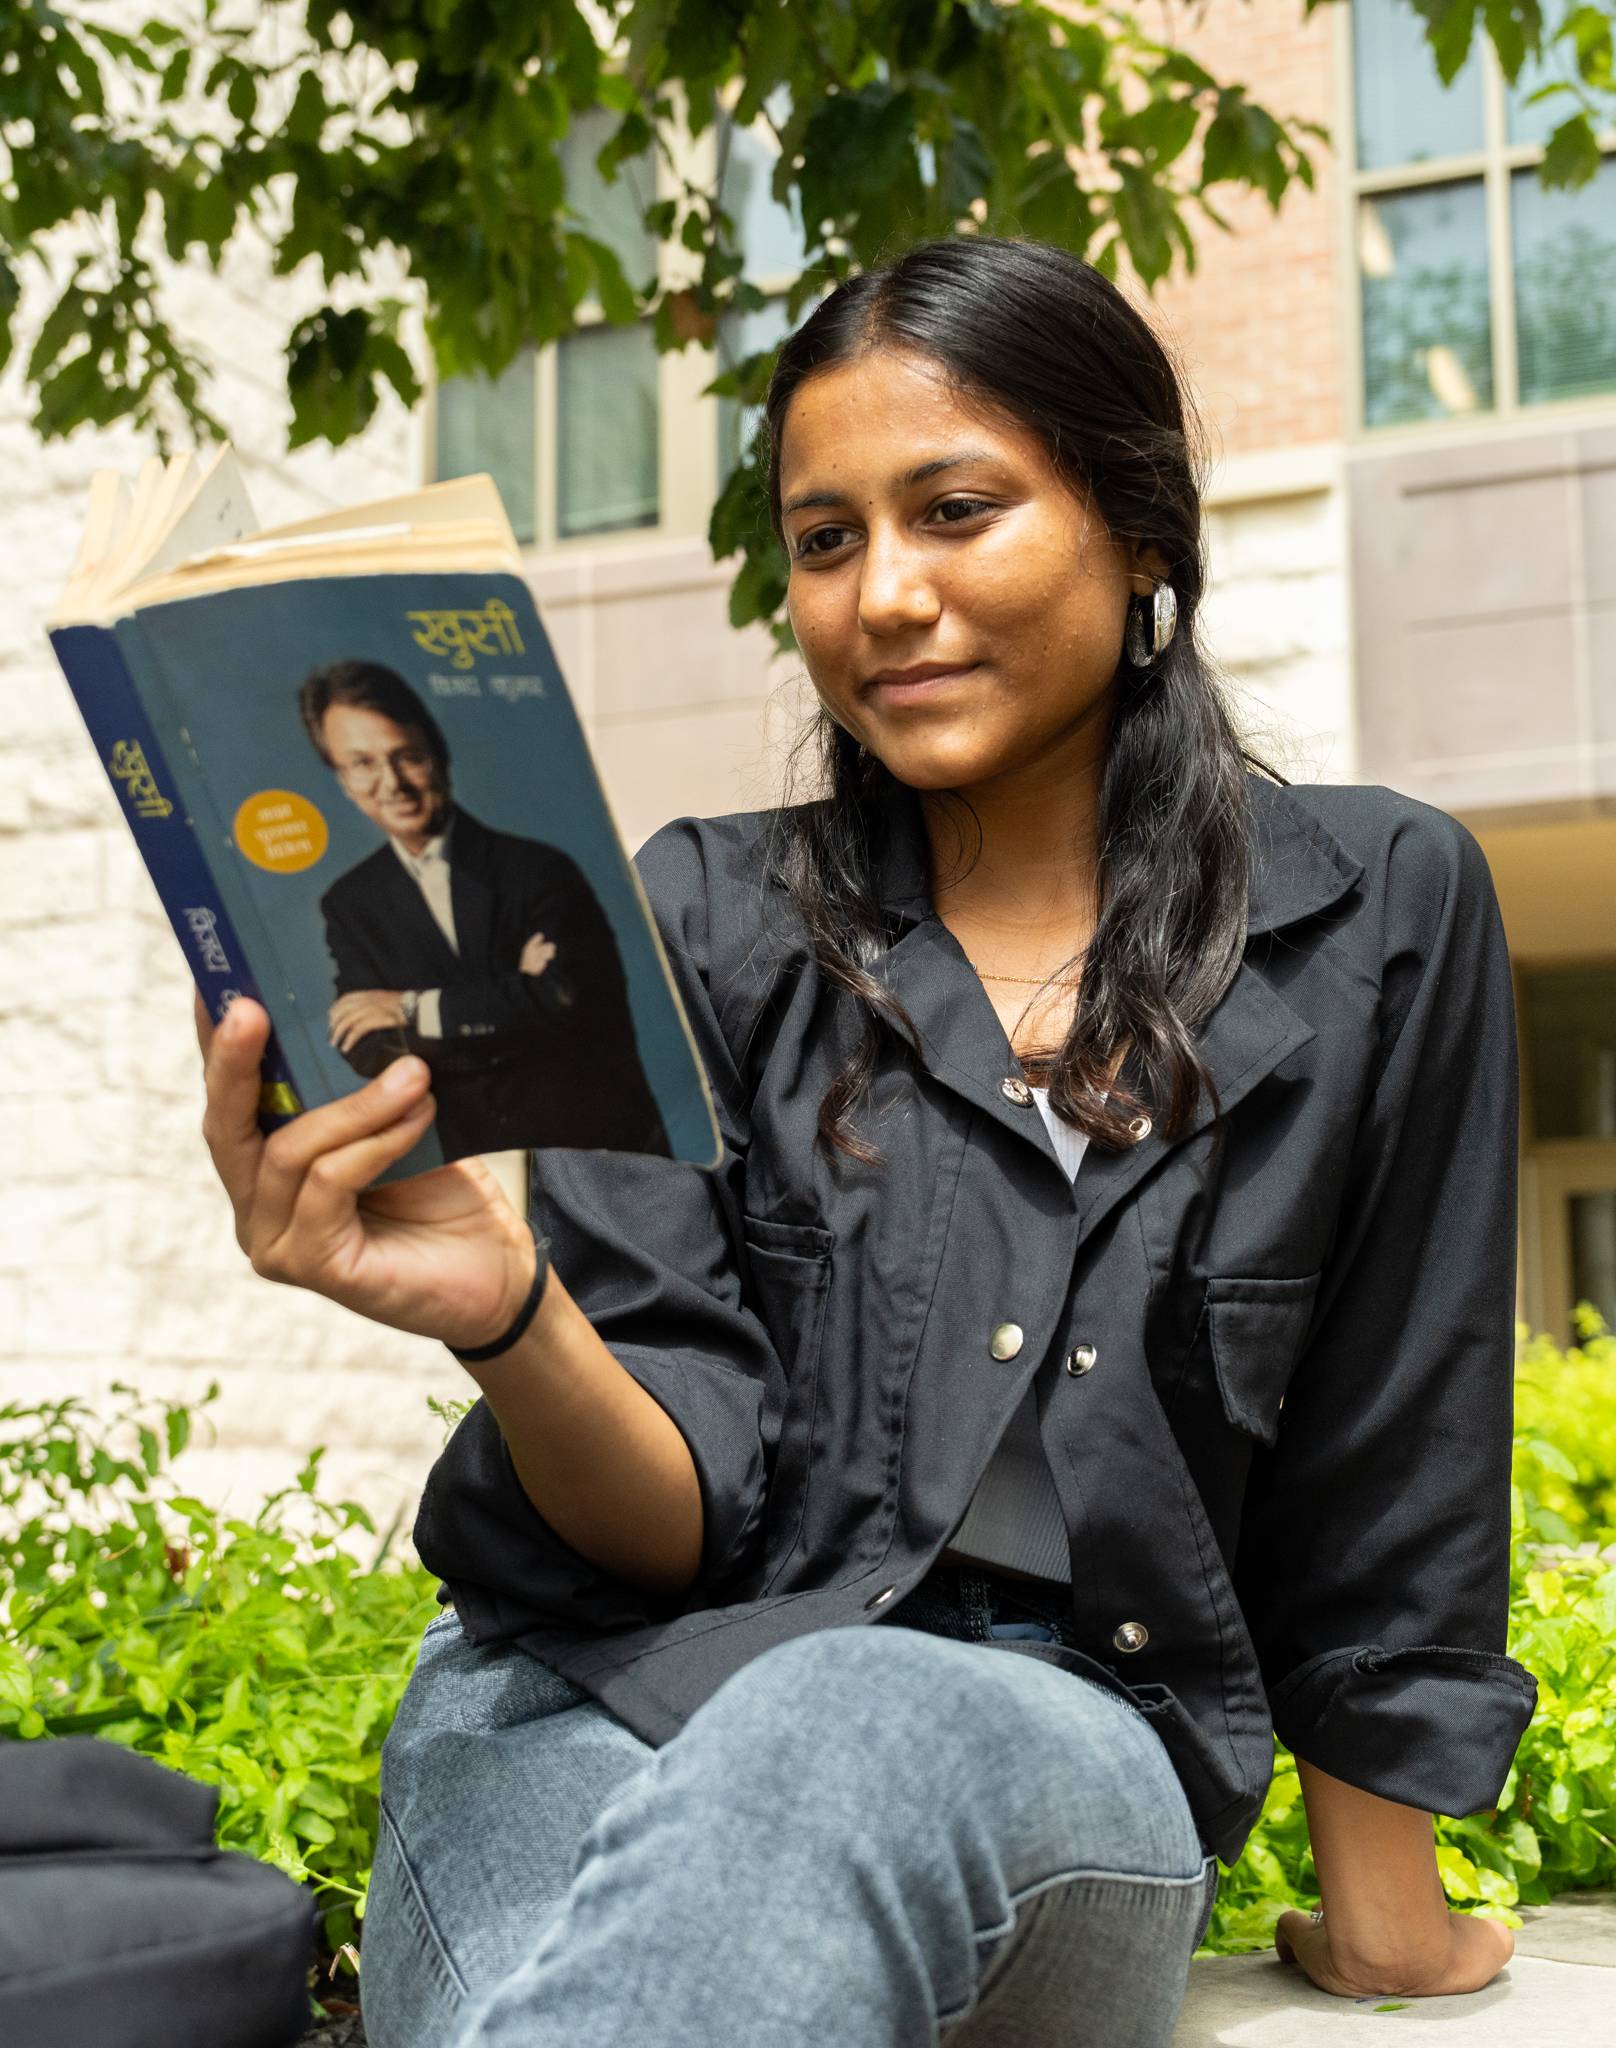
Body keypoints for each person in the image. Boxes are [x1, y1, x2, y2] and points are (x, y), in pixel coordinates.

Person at [196, 236, 1536, 2046]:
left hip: (1048, 1734)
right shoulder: (692, 913)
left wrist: (1386, 1916)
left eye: (954, 510)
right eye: (823, 539)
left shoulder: (1375, 907)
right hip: (586, 1692)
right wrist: (507, 1312)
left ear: (1139, 529)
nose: (881, 594)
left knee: (840, 1709)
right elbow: (675, 1508)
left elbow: (1389, 1452)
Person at [300, 658, 670, 1159]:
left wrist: (409, 1008)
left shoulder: (539, 870)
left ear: (438, 755)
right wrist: (511, 998)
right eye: (363, 763)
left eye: (406, 756)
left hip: (600, 1160)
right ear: (342, 780)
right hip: (466, 1165)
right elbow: (365, 1047)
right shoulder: (348, 903)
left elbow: (567, 1000)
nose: (392, 783)